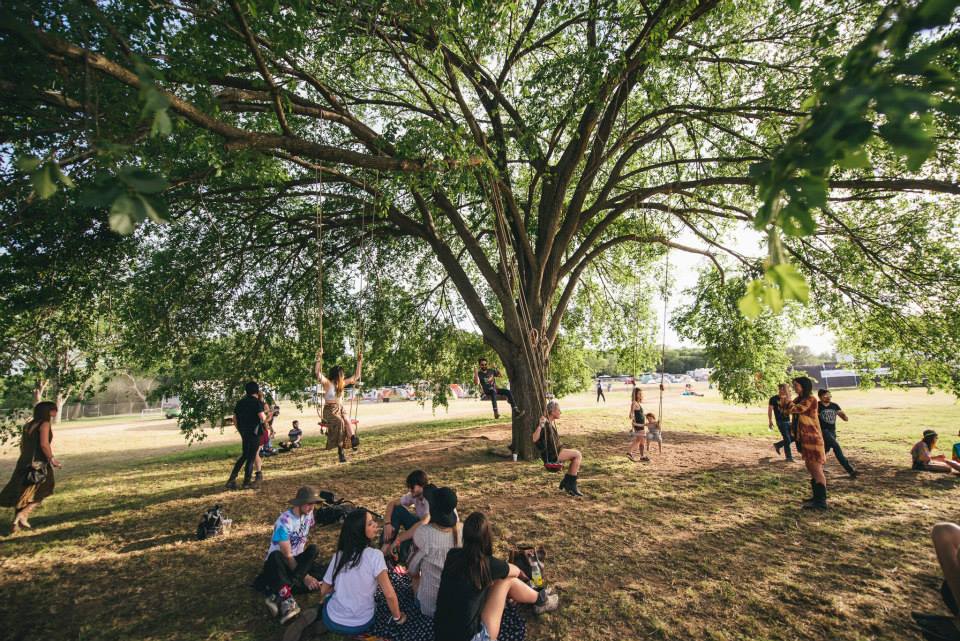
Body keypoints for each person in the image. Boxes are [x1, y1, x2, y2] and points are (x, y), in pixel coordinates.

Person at [434, 512, 559, 641]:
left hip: (441, 634)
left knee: (498, 580)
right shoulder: (488, 564)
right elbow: (515, 571)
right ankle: (541, 600)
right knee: (507, 581)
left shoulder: (452, 555)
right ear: (487, 537)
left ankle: (536, 595)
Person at [316, 508, 406, 635]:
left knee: (329, 598)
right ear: (359, 532)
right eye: (370, 523)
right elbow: (390, 595)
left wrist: (338, 590)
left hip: (332, 620)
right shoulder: (375, 556)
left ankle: (317, 621)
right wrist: (398, 617)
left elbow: (323, 590)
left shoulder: (339, 555)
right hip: (361, 624)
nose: (375, 524)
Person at [254, 486, 326, 623]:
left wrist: (304, 572)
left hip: (296, 564)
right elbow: (287, 556)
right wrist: (305, 576)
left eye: (314, 504)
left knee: (314, 550)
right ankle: (287, 599)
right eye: (309, 503)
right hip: (280, 563)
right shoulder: (283, 522)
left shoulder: (308, 515)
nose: (312, 507)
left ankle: (279, 593)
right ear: (299, 503)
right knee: (276, 556)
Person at [0, 401, 62, 534]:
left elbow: (23, 445)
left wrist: (25, 458)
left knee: (22, 492)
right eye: (54, 410)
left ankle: (17, 523)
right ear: (48, 411)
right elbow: (44, 444)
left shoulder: (28, 425)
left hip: (24, 462)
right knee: (45, 489)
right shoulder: (44, 424)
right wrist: (52, 459)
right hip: (39, 463)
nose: (56, 412)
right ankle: (22, 515)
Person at [409, 486, 462, 617]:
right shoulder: (463, 530)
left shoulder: (423, 534)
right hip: (457, 604)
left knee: (415, 576)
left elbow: (412, 569)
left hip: (430, 608)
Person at [787, 376, 829, 509]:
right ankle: (816, 497)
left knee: (816, 469)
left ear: (804, 386)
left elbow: (795, 409)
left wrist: (787, 399)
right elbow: (786, 410)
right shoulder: (798, 400)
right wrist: (783, 399)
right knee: (811, 467)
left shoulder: (811, 399)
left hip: (812, 438)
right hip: (803, 439)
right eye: (793, 385)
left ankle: (821, 503)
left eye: (796, 385)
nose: (794, 387)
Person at [315, 348, 362, 463]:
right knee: (340, 422)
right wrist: (319, 358)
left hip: (340, 408)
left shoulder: (342, 383)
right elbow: (317, 373)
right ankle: (340, 450)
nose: (343, 376)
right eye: (342, 374)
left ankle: (353, 439)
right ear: (338, 375)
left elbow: (356, 376)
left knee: (347, 420)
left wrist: (359, 361)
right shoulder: (327, 383)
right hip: (329, 410)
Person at [532, 400, 584, 497]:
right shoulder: (544, 423)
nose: (560, 412)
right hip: (552, 455)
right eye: (559, 410)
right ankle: (570, 484)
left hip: (557, 451)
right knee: (577, 455)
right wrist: (540, 425)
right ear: (552, 411)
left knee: (576, 456)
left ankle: (567, 482)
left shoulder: (549, 423)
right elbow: (535, 438)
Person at [382, 470, 432, 560]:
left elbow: (423, 523)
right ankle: (386, 545)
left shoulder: (429, 498)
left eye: (412, 487)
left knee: (405, 546)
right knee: (398, 510)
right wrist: (387, 523)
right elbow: (392, 503)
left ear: (422, 485)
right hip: (422, 525)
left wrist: (399, 539)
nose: (410, 490)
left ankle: (397, 554)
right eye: (408, 487)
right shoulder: (414, 495)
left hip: (431, 531)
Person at [226, 381, 267, 490]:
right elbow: (263, 418)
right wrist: (270, 415)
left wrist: (240, 431)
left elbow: (234, 419)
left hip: (244, 433)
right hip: (255, 433)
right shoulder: (257, 402)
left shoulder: (240, 402)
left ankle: (232, 479)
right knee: (251, 457)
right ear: (257, 391)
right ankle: (246, 482)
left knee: (244, 455)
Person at [817, 389, 857, 478]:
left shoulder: (834, 405)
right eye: (826, 396)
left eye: (829, 395)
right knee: (836, 447)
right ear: (820, 397)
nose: (828, 397)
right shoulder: (817, 405)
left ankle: (817, 466)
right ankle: (850, 470)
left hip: (832, 431)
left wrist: (844, 416)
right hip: (823, 431)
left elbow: (842, 415)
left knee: (825, 450)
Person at [769, 383, 795, 462]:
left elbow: (792, 408)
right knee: (787, 439)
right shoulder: (773, 399)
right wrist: (770, 421)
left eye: (785, 389)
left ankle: (778, 445)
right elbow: (770, 410)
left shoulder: (788, 399)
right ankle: (789, 457)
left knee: (794, 437)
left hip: (788, 421)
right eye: (782, 389)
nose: (784, 391)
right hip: (780, 422)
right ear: (779, 389)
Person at [627, 387, 647, 462]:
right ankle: (629, 452)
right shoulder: (634, 403)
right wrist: (632, 417)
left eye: (641, 393)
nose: (641, 395)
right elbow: (631, 414)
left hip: (641, 424)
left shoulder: (638, 403)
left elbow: (638, 413)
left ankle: (642, 456)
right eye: (639, 394)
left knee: (642, 440)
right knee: (639, 439)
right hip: (638, 424)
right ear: (635, 395)